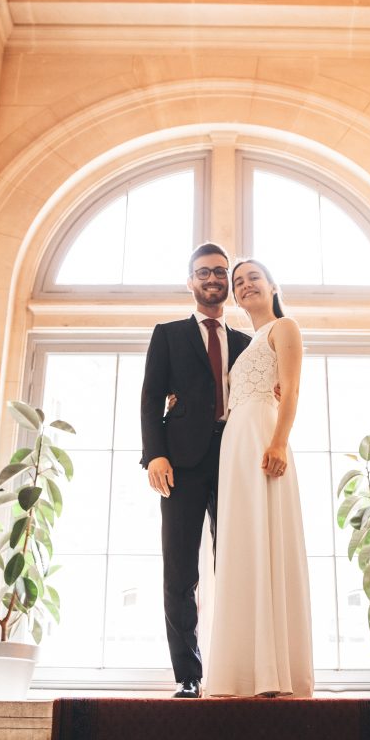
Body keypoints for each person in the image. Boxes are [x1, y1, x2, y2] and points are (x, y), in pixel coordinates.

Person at [140, 242, 251, 697]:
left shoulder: (246, 343)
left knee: (238, 564)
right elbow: (150, 398)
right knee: (180, 571)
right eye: (203, 272)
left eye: (220, 272)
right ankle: (189, 674)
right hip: (180, 464)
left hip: (235, 458)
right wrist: (155, 454)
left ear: (228, 282)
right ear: (190, 282)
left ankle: (240, 667)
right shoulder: (167, 335)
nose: (213, 279)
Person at [205, 259, 314, 698]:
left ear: (272, 285)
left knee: (266, 539)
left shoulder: (284, 328)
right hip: (235, 442)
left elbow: (290, 389)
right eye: (238, 281)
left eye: (253, 277)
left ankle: (276, 670)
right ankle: (244, 670)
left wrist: (279, 442)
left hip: (263, 437)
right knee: (243, 544)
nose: (245, 284)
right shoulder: (246, 342)